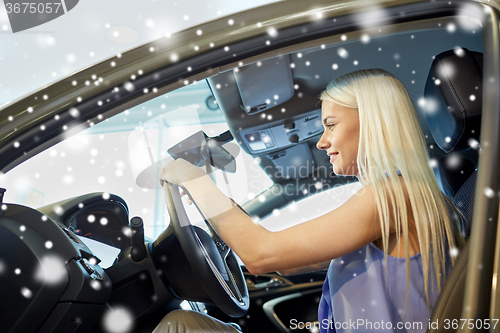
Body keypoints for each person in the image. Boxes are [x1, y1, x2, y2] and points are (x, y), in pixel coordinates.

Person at [155, 69, 465, 333]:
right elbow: (289, 263)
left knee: (179, 325)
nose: (321, 141)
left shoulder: (392, 195)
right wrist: (217, 207)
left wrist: (193, 178)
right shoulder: (401, 195)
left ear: (373, 122)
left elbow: (261, 255)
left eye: (331, 125)